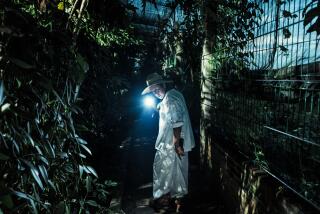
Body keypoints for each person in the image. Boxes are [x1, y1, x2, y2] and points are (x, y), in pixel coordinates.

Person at [141, 72, 195, 212]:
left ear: (163, 84)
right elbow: (173, 113)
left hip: (172, 144)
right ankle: (176, 202)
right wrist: (160, 106)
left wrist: (177, 145)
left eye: (157, 89)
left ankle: (165, 200)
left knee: (164, 171)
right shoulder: (173, 95)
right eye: (152, 92)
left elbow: (177, 122)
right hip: (173, 144)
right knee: (178, 173)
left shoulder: (170, 99)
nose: (155, 93)